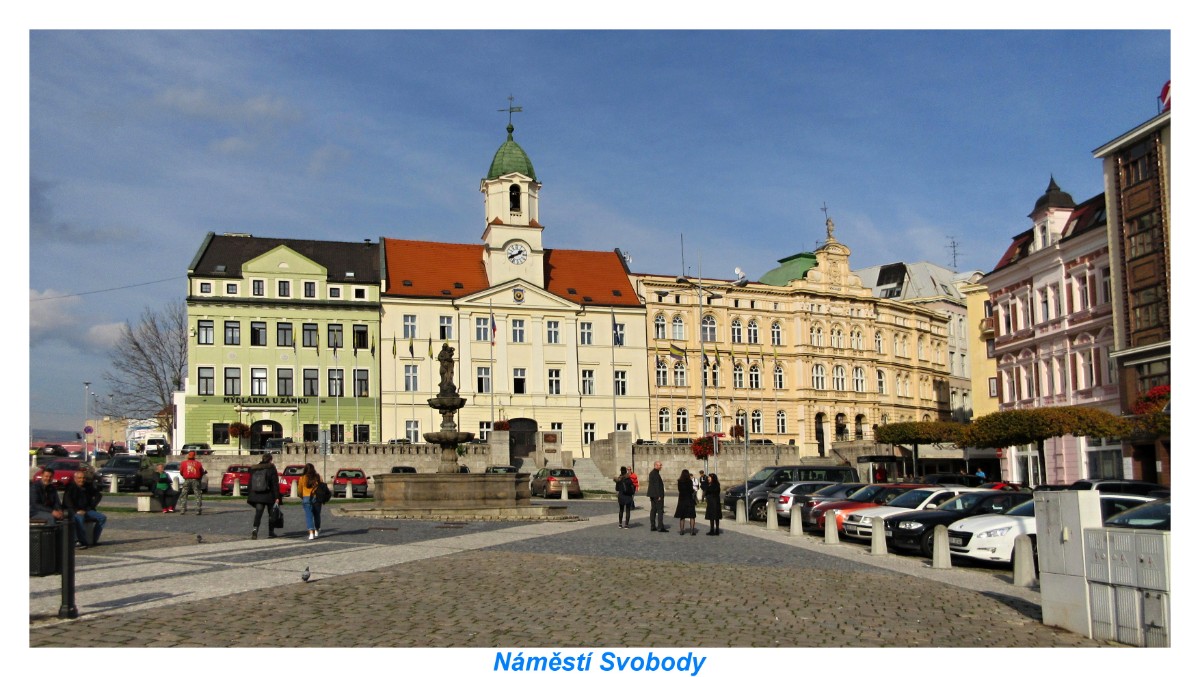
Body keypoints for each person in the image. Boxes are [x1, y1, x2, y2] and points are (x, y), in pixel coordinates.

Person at [63, 469, 106, 548]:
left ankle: (93, 540)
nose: (82, 480)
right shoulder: (70, 487)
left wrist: (92, 506)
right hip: (73, 510)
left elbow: (98, 495)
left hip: (86, 509)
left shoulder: (87, 486)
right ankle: (81, 541)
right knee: (79, 518)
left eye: (83, 478)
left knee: (102, 517)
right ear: (75, 478)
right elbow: (67, 501)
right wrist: (76, 510)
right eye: (79, 478)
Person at [247, 453, 282, 539]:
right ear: (270, 460)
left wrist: (250, 494)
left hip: (258, 495)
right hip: (269, 495)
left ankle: (255, 530)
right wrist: (277, 497)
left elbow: (250, 483)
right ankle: (271, 531)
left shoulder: (255, 468)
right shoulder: (271, 468)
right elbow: (275, 484)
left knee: (258, 514)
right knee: (271, 514)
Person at [297, 462, 324, 540]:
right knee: (317, 515)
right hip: (317, 497)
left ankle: (311, 533)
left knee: (309, 516)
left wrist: (301, 496)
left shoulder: (302, 478)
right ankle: (317, 529)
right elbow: (322, 487)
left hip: (306, 497)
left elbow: (300, 490)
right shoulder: (318, 477)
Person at [673, 469, 697, 536]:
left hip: (682, 500)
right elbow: (691, 490)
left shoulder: (679, 481)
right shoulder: (689, 481)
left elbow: (679, 490)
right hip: (689, 500)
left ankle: (681, 530)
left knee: (682, 516)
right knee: (692, 516)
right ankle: (692, 531)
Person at [647, 460, 667, 532]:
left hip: (652, 495)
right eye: (660, 465)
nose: (661, 466)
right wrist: (659, 495)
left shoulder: (653, 473)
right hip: (657, 495)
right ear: (655, 465)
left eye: (661, 465)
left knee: (653, 510)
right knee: (660, 510)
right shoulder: (655, 473)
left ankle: (653, 526)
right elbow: (656, 485)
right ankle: (660, 527)